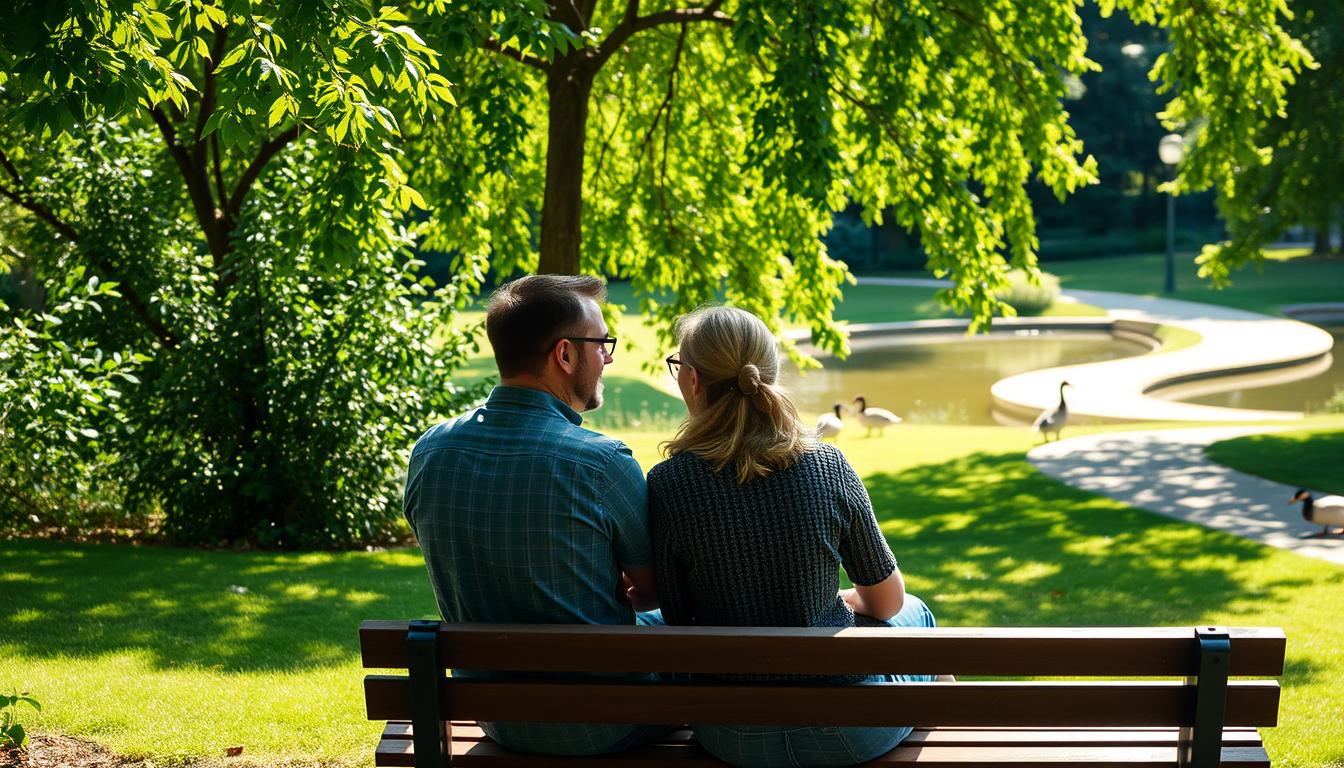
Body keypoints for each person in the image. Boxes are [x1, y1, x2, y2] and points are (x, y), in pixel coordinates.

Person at [648, 306, 938, 768]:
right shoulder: (828, 465)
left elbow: (680, 618)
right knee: (918, 613)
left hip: (732, 736)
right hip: (850, 731)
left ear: (693, 380)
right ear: (770, 374)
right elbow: (887, 603)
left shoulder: (668, 484)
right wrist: (839, 602)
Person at [403, 274, 667, 756]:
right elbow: (651, 590)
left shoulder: (430, 452)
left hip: (498, 717)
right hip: (605, 724)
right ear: (564, 355)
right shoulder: (602, 462)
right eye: (602, 344)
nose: (607, 358)